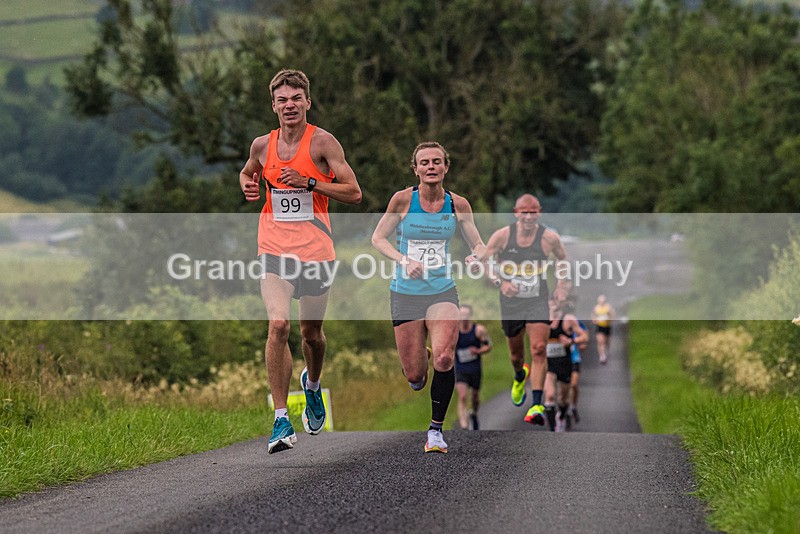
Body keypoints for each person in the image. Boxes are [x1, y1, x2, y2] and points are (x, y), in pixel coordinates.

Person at [239, 69, 362, 454]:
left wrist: (309, 183)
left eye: (296, 98)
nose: (289, 105)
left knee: (311, 334)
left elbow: (354, 193)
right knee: (278, 325)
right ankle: (280, 419)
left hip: (316, 251)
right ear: (273, 105)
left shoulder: (323, 142)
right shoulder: (263, 144)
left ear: (307, 101)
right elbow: (248, 172)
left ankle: (312, 384)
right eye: (282, 100)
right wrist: (247, 183)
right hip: (274, 247)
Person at [372, 141, 486, 453]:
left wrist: (478, 256)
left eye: (437, 162)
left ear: (446, 167)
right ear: (416, 169)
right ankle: (420, 355)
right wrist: (403, 260)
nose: (431, 167)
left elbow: (478, 243)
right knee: (416, 375)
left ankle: (435, 431)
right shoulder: (403, 200)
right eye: (425, 162)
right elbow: (377, 238)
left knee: (445, 357)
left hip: (442, 292)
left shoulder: (457, 204)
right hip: (405, 294)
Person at [476, 194, 571, 426]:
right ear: (516, 212)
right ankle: (520, 375)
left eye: (533, 212)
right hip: (510, 302)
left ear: (539, 212)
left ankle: (537, 404)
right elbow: (483, 263)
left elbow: (562, 261)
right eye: (524, 212)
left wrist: (561, 286)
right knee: (516, 356)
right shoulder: (502, 236)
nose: (529, 217)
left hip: (537, 299)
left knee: (539, 348)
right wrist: (501, 283)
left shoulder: (549, 238)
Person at [543, 298, 588, 432]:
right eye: (549, 304)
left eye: (555, 304)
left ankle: (561, 417)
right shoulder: (541, 321)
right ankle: (552, 431)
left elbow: (585, 336)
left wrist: (571, 341)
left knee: (563, 399)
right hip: (549, 365)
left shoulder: (568, 319)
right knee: (550, 395)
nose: (552, 307)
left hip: (565, 363)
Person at [454, 304, 492, 430]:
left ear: (470, 316)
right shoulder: (453, 331)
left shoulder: (478, 330)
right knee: (463, 396)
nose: (464, 318)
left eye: (466, 315)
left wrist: (479, 351)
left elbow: (488, 346)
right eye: (461, 315)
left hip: (475, 368)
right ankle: (464, 426)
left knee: (475, 397)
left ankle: (474, 414)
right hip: (460, 369)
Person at [591, 294, 615, 364]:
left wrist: (609, 318)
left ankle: (606, 350)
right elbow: (593, 315)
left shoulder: (608, 307)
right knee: (600, 341)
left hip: (607, 326)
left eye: (603, 301)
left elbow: (613, 315)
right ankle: (602, 355)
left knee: (607, 341)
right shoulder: (596, 308)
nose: (601, 303)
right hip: (599, 326)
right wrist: (594, 320)